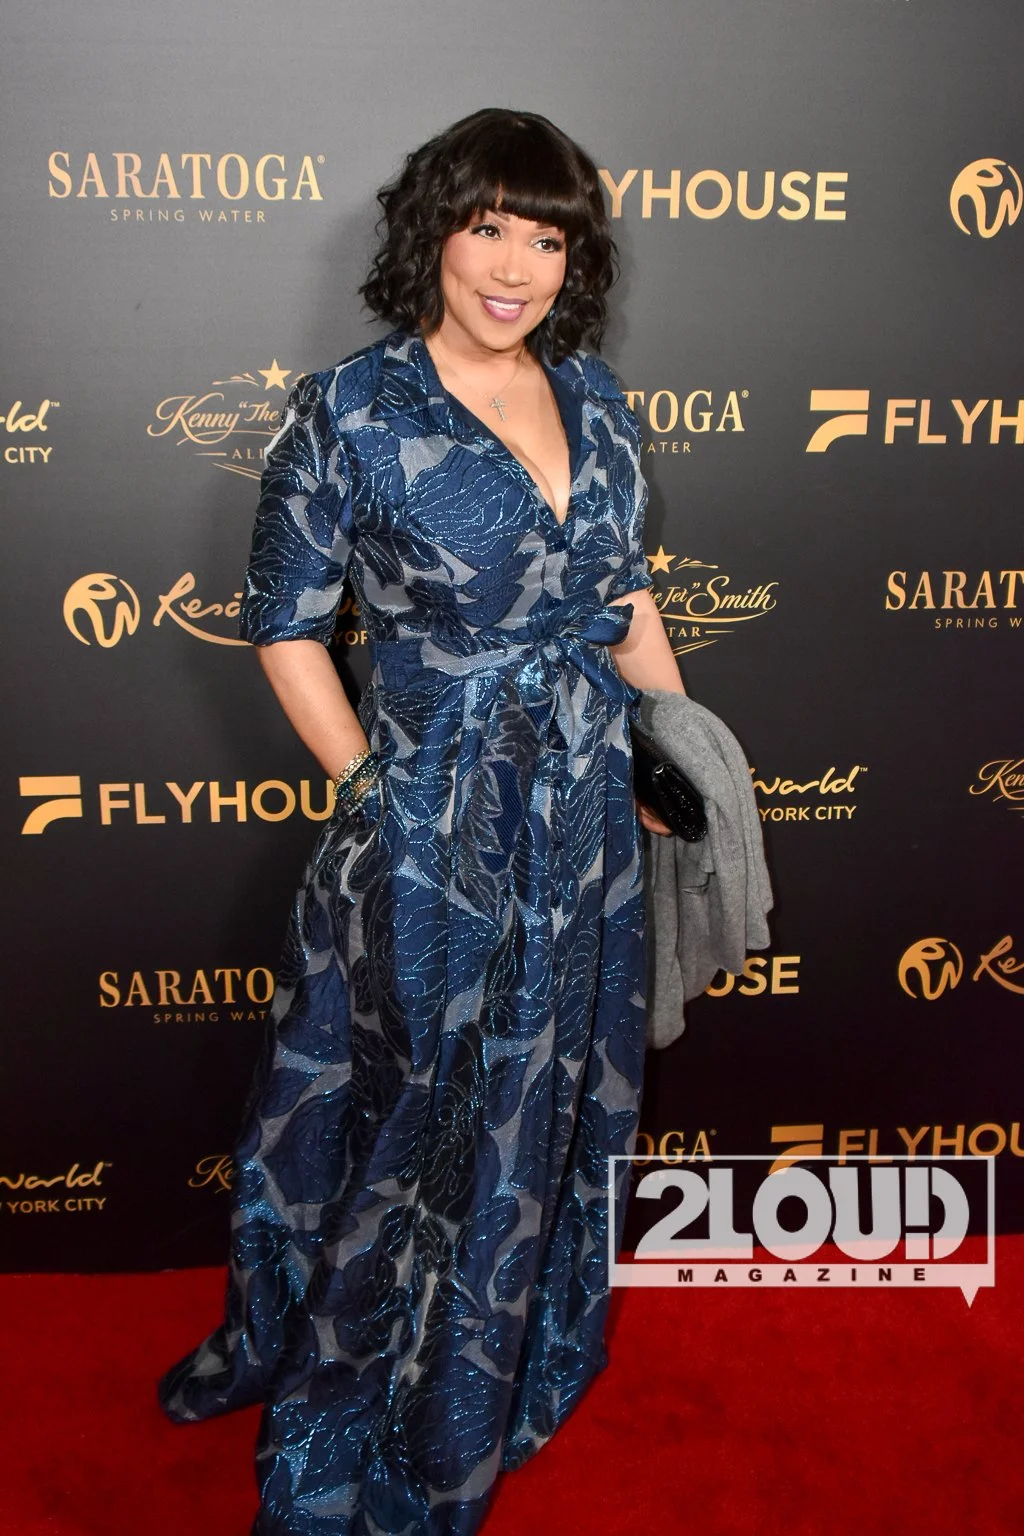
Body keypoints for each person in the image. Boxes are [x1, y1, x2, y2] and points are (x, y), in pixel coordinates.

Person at [157, 106, 686, 1535]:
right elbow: (285, 625)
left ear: (575, 258)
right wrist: (376, 794)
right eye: (488, 227)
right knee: (419, 1119)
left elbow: (625, 598)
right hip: (432, 821)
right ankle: (364, 1400)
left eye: (548, 239)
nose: (515, 267)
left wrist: (678, 751)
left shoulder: (596, 397)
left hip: (581, 818)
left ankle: (496, 1364)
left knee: (546, 1103)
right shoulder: (353, 408)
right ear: (433, 232)